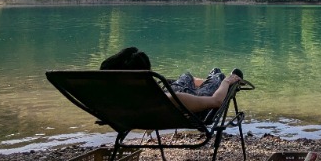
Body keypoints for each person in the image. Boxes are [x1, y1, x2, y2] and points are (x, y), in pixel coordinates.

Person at [100, 47, 243, 114]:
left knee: (186, 77)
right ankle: (217, 78)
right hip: (185, 102)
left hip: (142, 108)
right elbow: (216, 102)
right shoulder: (171, 99)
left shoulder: (111, 101)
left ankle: (201, 80)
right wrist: (226, 83)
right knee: (218, 75)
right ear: (146, 77)